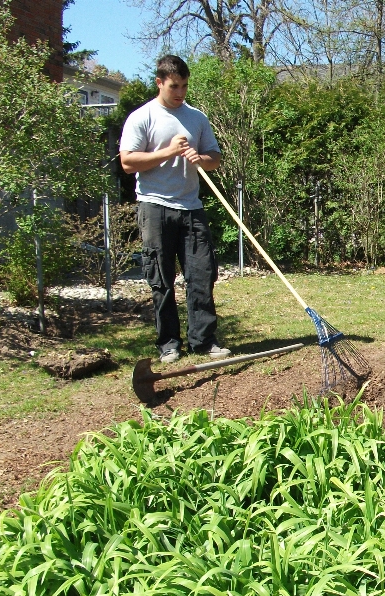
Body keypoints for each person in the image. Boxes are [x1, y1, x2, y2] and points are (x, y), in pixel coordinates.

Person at [120, 55, 230, 364]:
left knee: (202, 274)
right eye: (174, 86)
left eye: (183, 86)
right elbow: (128, 162)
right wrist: (168, 151)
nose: (180, 92)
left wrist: (201, 159)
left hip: (191, 206)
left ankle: (204, 341)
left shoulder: (196, 118)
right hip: (154, 206)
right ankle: (169, 344)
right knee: (161, 277)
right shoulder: (143, 117)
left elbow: (214, 158)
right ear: (160, 83)